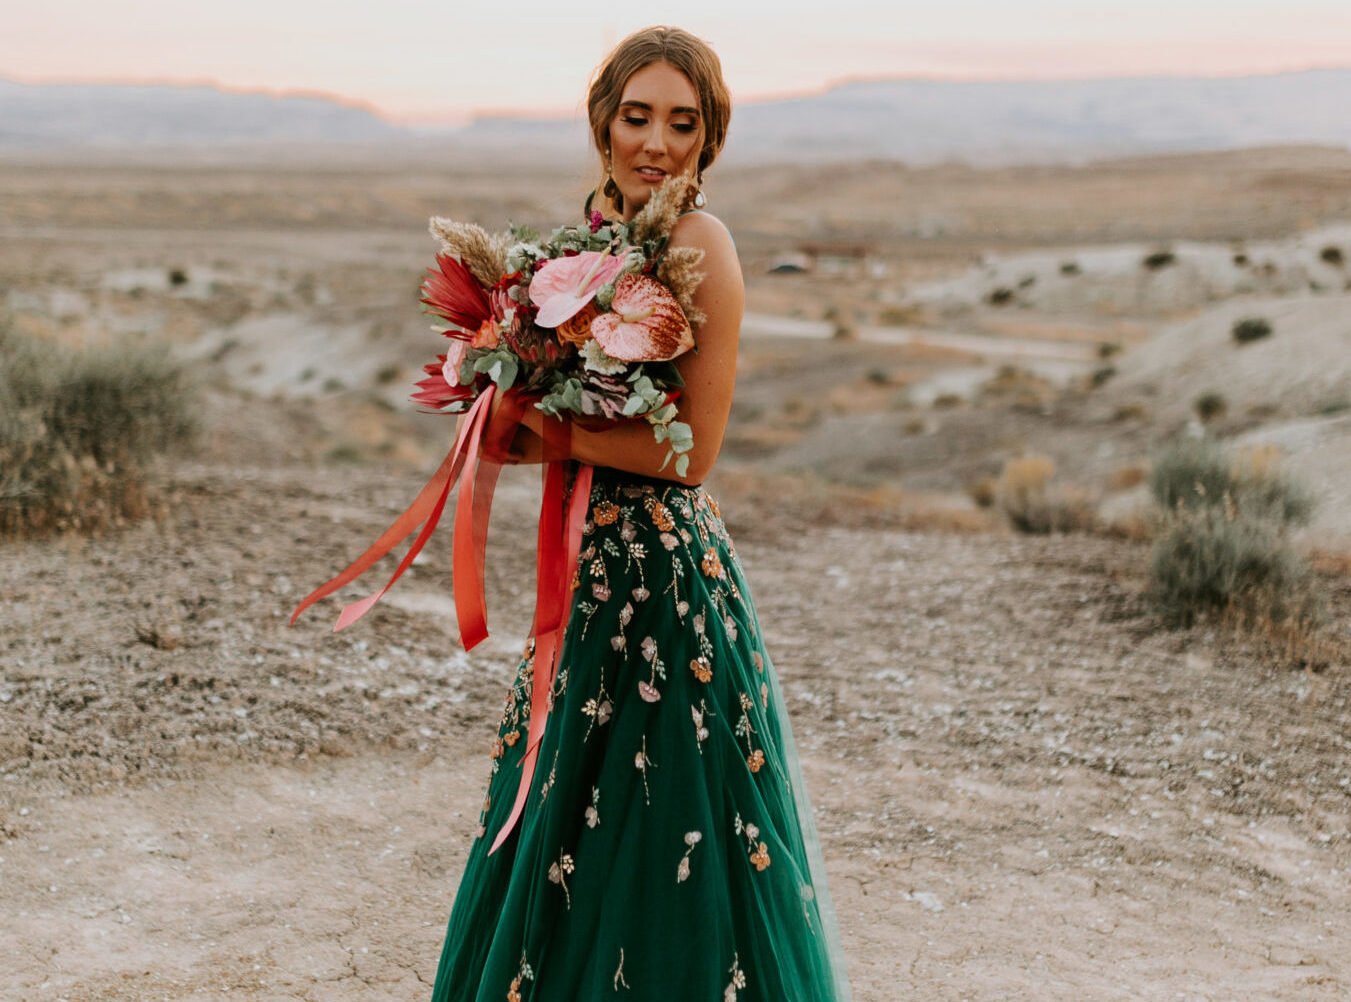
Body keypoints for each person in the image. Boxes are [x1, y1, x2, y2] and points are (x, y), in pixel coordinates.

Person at [429, 26, 853, 1001]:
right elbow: (575, 412)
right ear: (601, 123)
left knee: (667, 824)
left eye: (681, 122)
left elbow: (689, 452)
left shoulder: (702, 245)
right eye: (636, 117)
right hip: (586, 573)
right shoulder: (587, 249)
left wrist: (545, 433)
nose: (654, 142)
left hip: (663, 581)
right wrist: (507, 405)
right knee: (567, 817)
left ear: (709, 141)